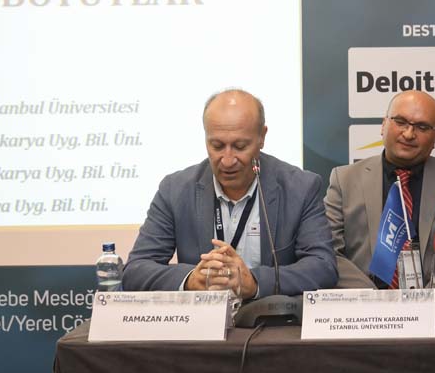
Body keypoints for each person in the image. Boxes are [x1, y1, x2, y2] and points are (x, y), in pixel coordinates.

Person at [122, 89, 337, 296]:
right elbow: (136, 269)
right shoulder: (175, 190)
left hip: (269, 317)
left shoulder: (300, 187)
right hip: (202, 317)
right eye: (217, 146)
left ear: (262, 137)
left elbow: (323, 267)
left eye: (240, 146)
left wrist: (255, 282)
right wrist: (190, 280)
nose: (227, 160)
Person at [325, 90, 435, 288]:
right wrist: (371, 298)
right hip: (363, 301)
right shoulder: (344, 179)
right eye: (400, 122)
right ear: (383, 125)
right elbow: (329, 253)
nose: (409, 134)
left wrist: (429, 299)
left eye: (422, 127)